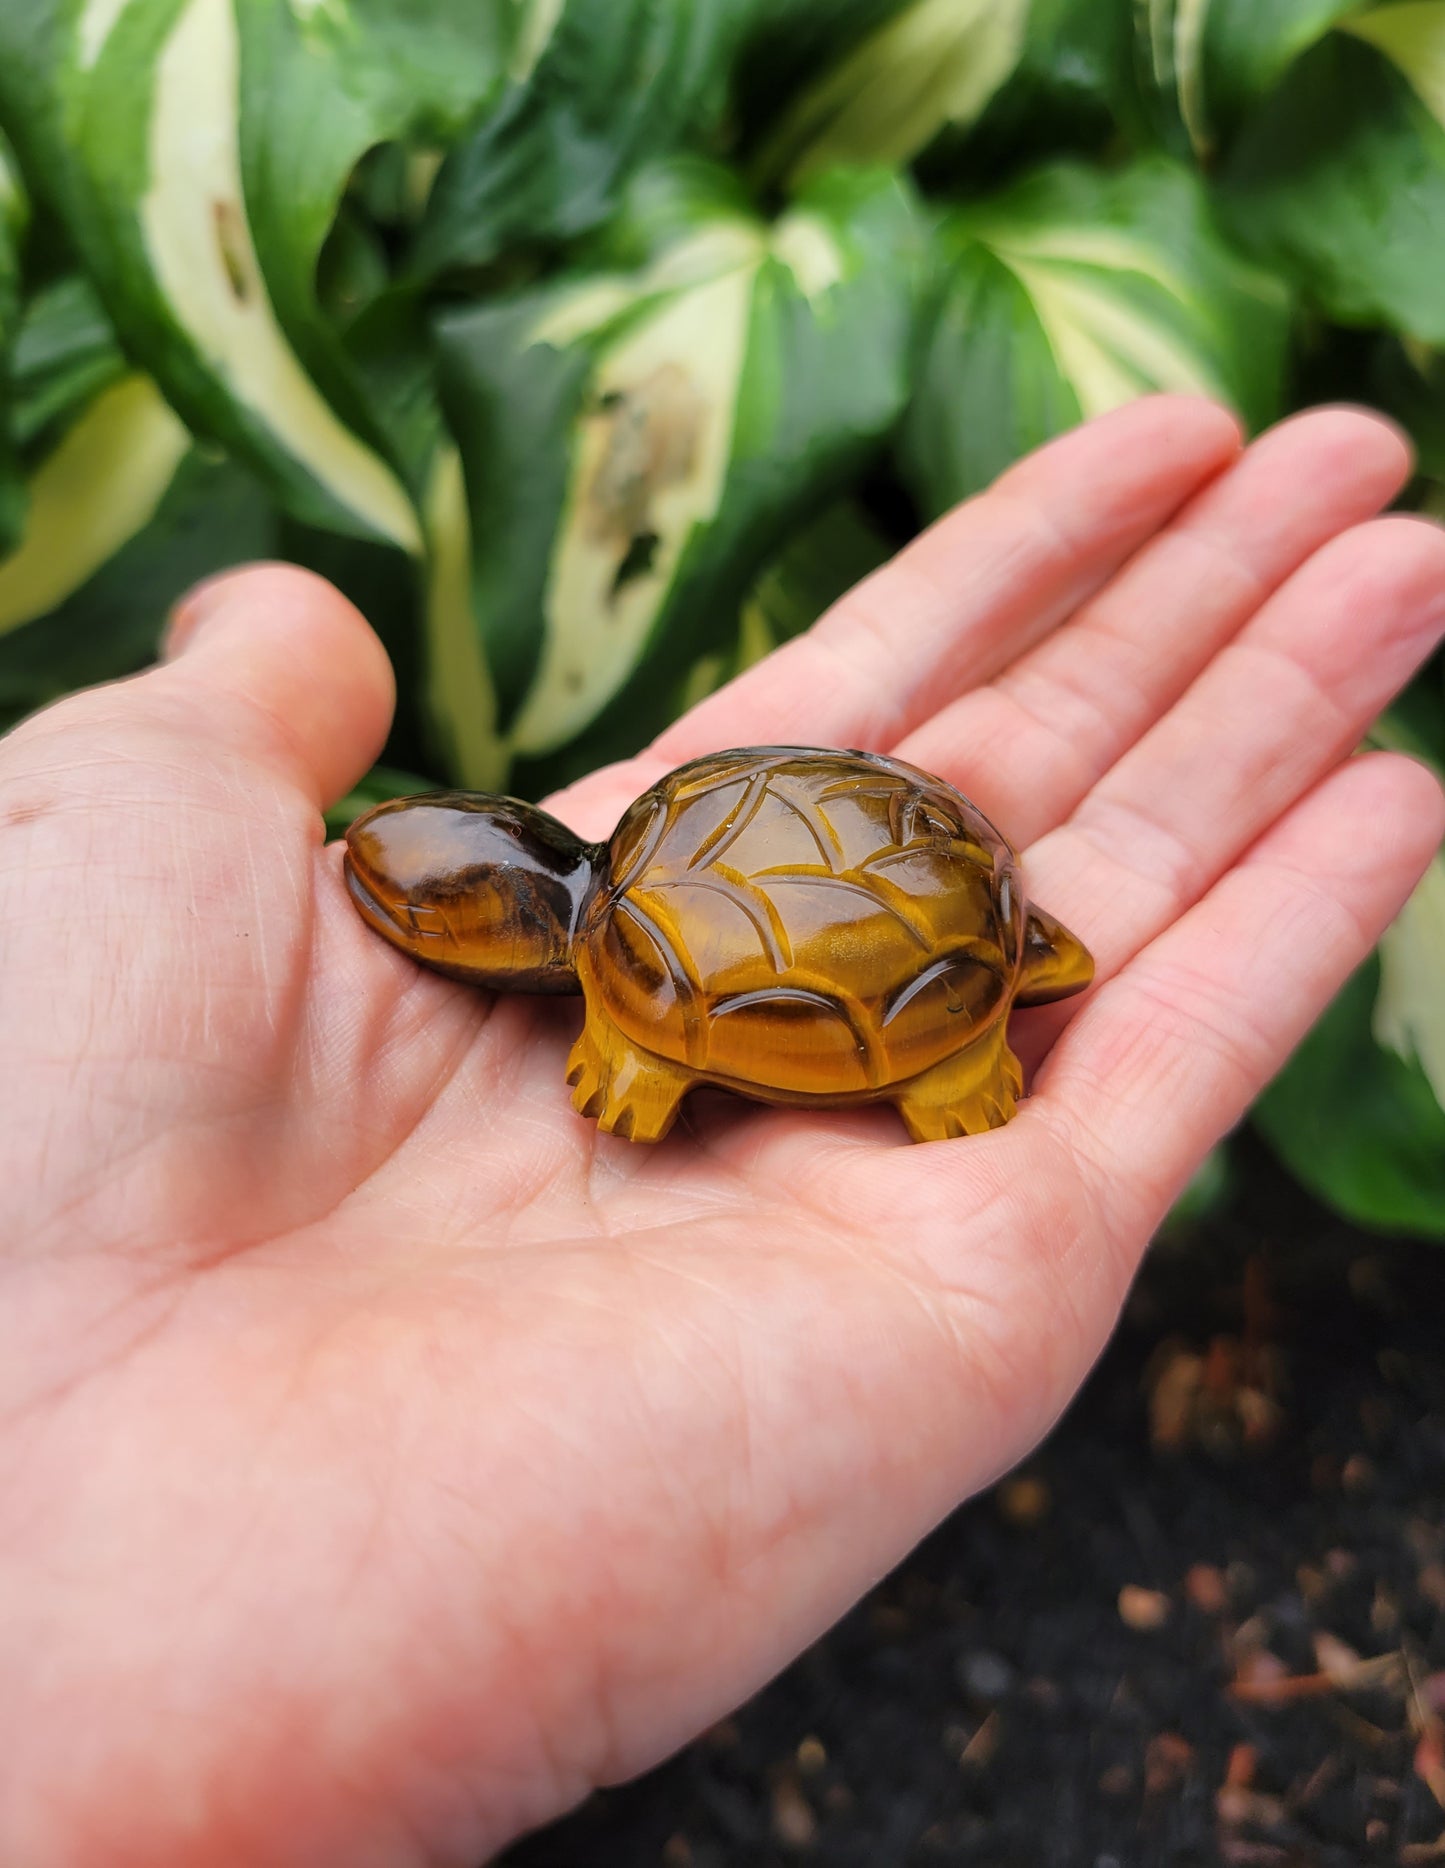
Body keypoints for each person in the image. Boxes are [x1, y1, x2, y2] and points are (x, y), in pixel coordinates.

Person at [0, 397, 1441, 1866]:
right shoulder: (648, 858)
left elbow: (660, 979)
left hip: (934, 978)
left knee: (816, 1032)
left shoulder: (637, 948)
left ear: (513, 922)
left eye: (421, 914)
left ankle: (947, 1053)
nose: (393, 917)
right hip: (883, 906)